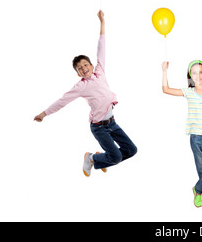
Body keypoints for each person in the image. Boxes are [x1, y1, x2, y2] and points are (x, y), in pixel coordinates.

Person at [34, 10, 137, 176]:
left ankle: (103, 158)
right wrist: (43, 114)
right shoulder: (81, 86)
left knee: (132, 150)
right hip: (99, 128)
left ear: (91, 65)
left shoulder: (100, 71)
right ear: (78, 73)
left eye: (85, 65)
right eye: (79, 68)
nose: (83, 68)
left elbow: (102, 47)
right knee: (116, 157)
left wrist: (102, 22)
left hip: (112, 123)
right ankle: (91, 158)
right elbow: (62, 101)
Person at [161, 60, 202, 209]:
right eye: (194, 72)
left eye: (201, 72)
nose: (198, 75)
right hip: (195, 137)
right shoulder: (188, 92)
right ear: (190, 75)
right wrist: (164, 71)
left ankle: (197, 189)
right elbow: (166, 89)